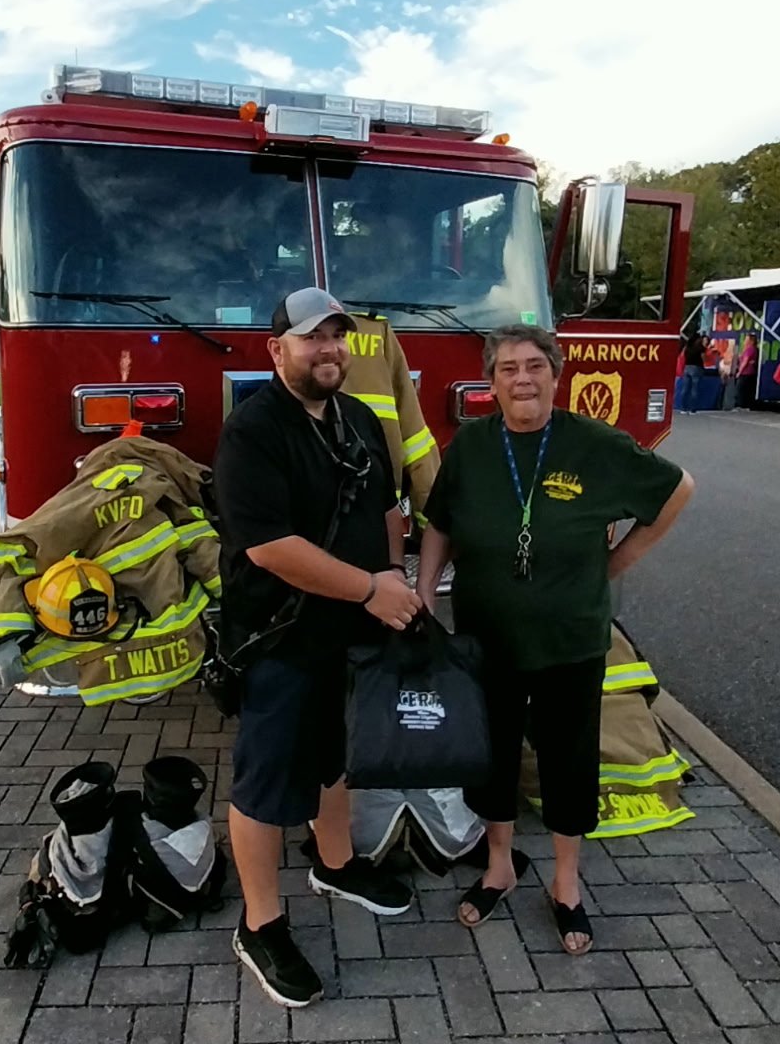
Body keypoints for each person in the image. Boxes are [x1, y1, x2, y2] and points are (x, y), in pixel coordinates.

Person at [416, 324, 694, 955]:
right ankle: (500, 867)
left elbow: (678, 490)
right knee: (493, 761)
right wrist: (428, 593)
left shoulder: (593, 444)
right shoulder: (471, 445)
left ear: (555, 374)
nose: (522, 378)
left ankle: (567, 885)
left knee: (569, 764)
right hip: (488, 638)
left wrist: (617, 561)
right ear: (491, 383)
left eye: (535, 366)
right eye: (509, 368)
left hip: (571, 641)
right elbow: (440, 523)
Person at [213, 286, 422, 1008]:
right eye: (312, 338)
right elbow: (270, 548)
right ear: (277, 351)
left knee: (335, 753)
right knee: (267, 782)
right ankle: (260, 922)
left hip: (348, 634)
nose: (328, 349)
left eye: (337, 336)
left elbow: (388, 510)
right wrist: (369, 591)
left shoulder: (359, 418)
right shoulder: (253, 431)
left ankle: (335, 862)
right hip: (279, 637)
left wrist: (392, 573)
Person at [677, 329, 706, 414]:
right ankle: (692, 408)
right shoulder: (700, 347)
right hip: (696, 367)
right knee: (694, 389)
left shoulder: (687, 347)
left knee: (685, 388)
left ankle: (683, 408)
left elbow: (683, 356)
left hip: (687, 367)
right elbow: (703, 358)